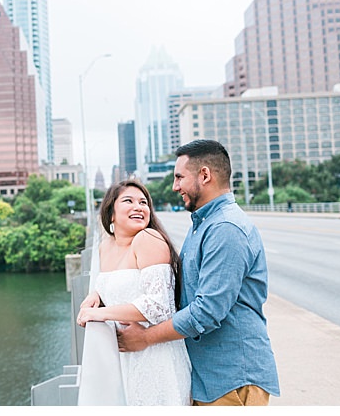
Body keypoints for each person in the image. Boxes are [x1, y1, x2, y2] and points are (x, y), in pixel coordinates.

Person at [116, 139, 280, 406]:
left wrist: (146, 337)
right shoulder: (203, 224)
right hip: (210, 377)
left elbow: (207, 311)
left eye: (179, 177)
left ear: (204, 175)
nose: (174, 186)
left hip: (233, 378)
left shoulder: (226, 228)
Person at [76, 179, 191, 405]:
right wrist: (96, 294)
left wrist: (101, 313)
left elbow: (160, 306)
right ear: (111, 213)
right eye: (129, 201)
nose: (139, 207)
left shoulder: (148, 239)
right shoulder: (105, 246)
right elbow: (117, 282)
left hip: (156, 358)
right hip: (125, 357)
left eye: (144, 202)